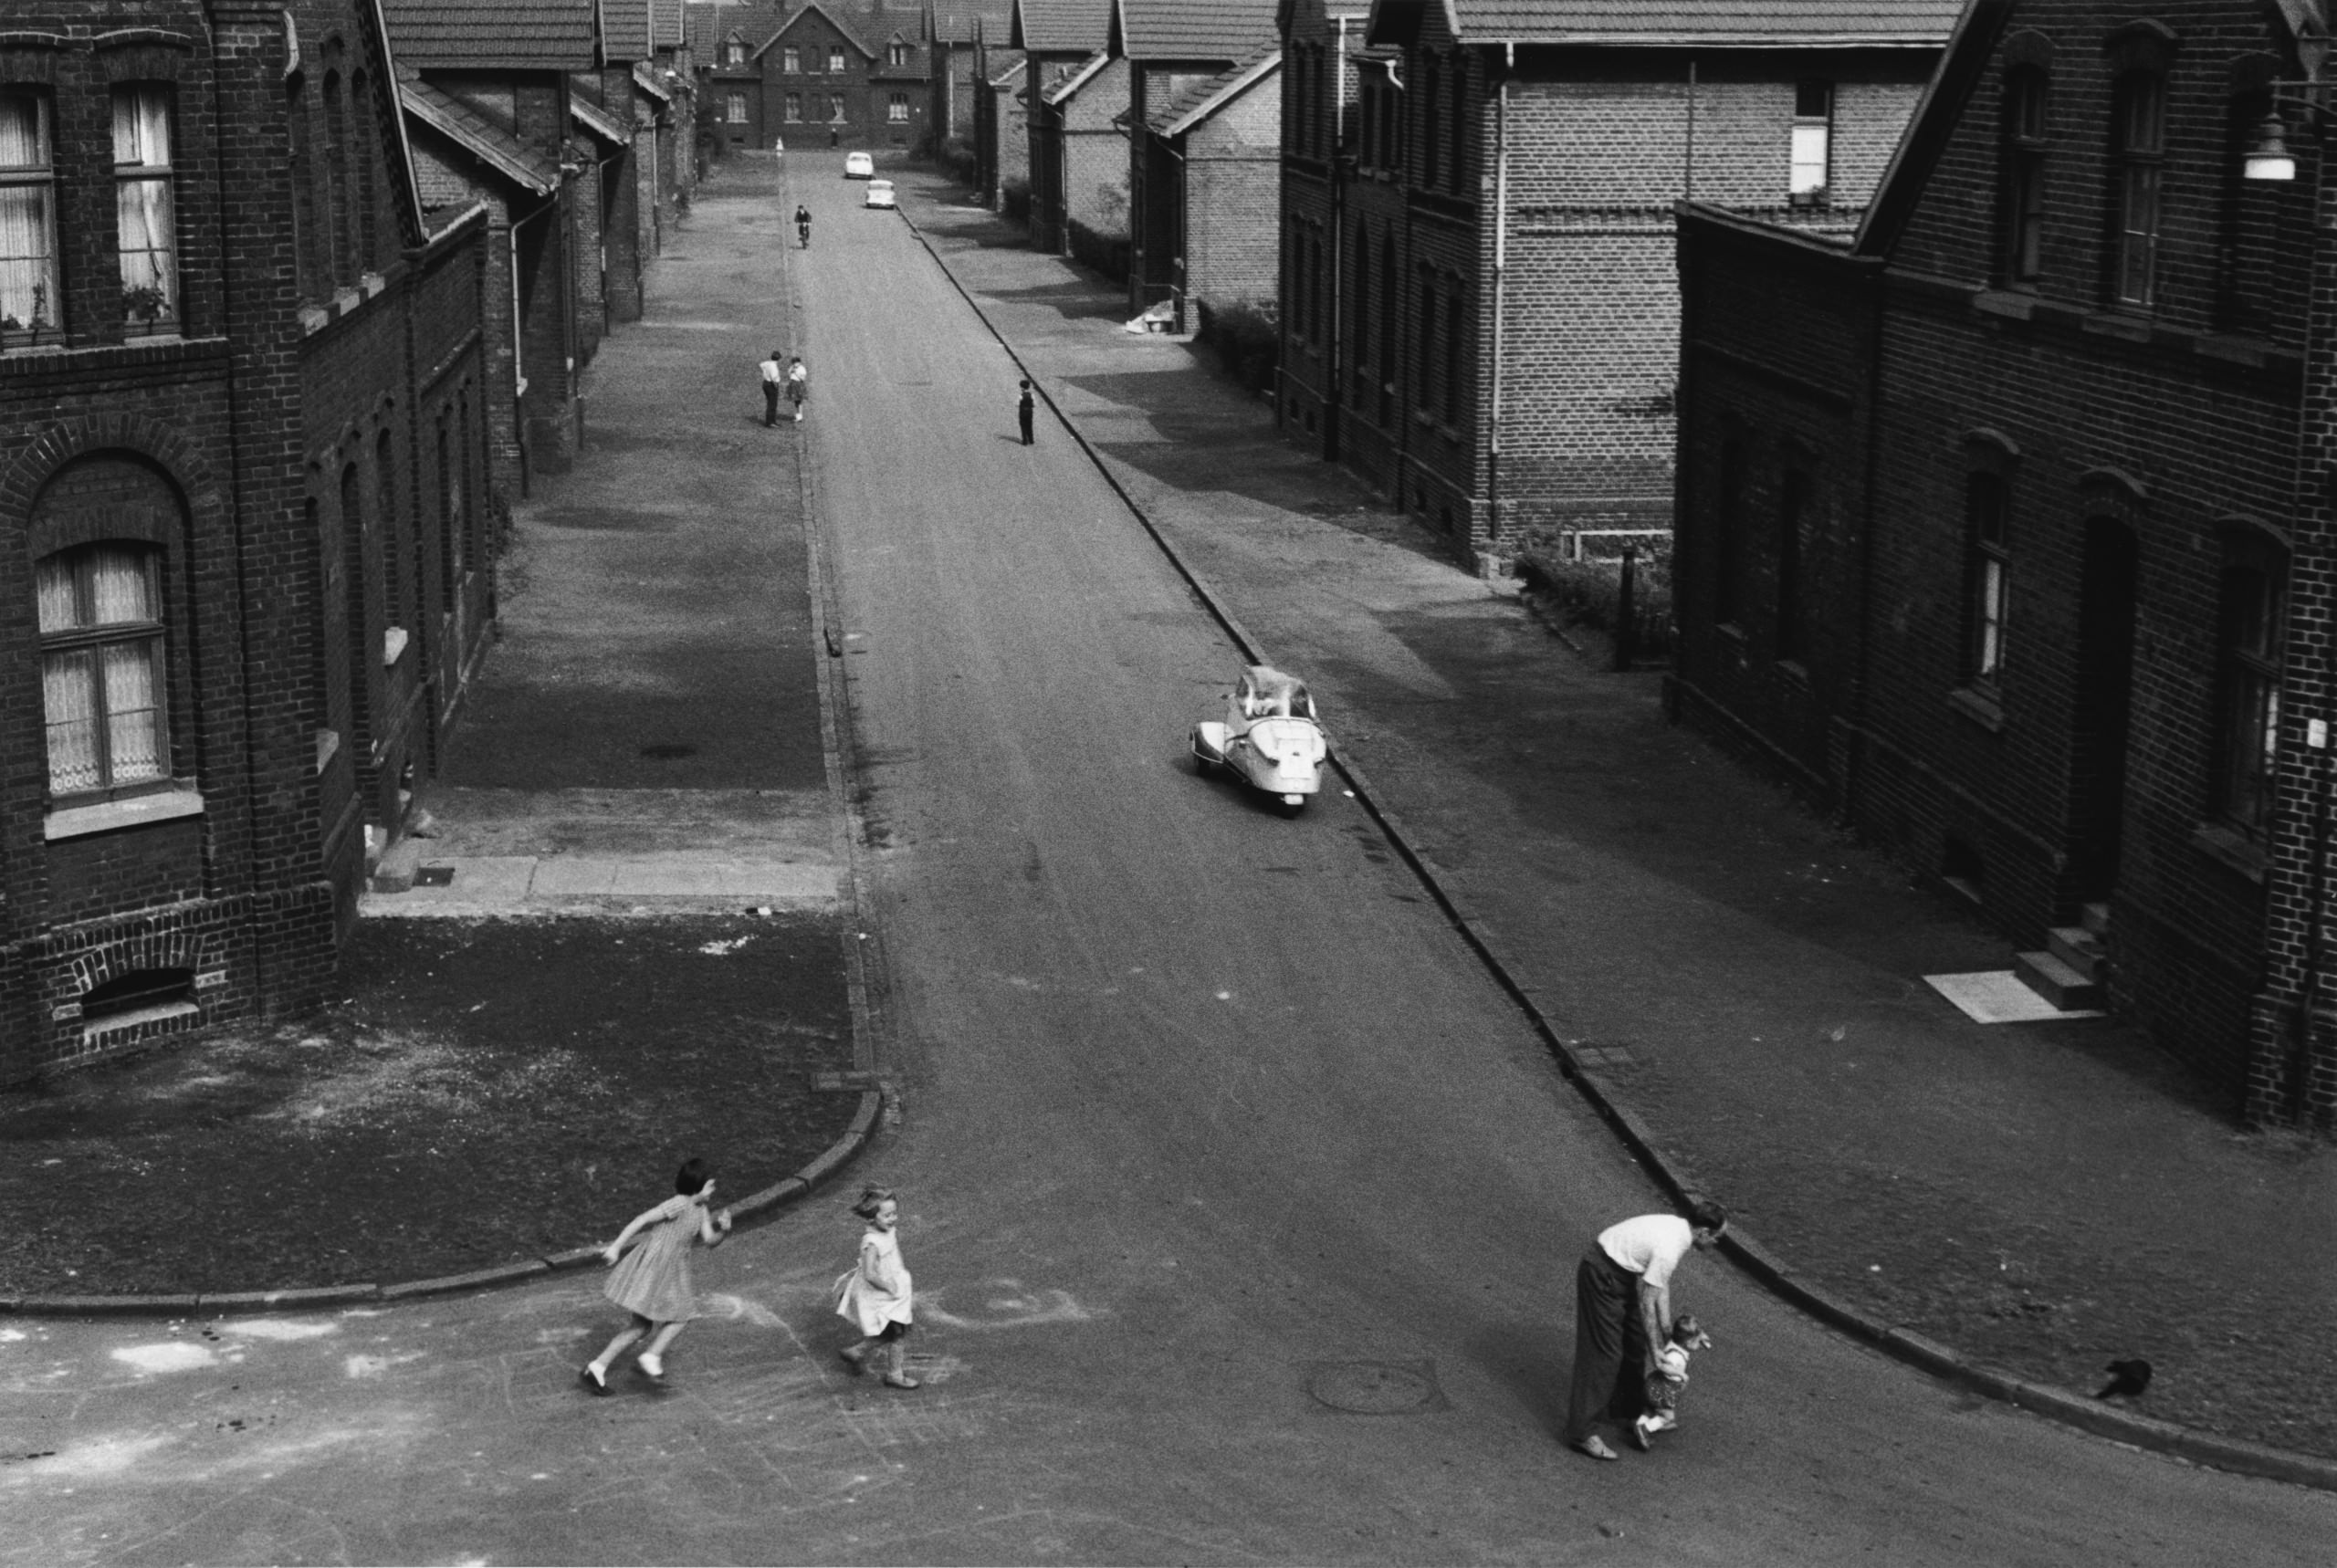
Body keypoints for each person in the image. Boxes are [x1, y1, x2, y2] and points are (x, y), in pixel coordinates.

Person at [1565, 1199, 1726, 1459]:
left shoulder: (1679, 1232)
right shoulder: (1670, 1247)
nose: (1717, 1243)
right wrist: (1657, 1352)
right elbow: (1647, 1300)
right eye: (1717, 1237)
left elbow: (1660, 1284)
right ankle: (1580, 1433)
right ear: (1704, 1232)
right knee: (1605, 1354)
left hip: (1620, 1273)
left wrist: (1665, 1335)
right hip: (1601, 1274)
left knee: (1634, 1343)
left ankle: (1626, 1413)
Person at [582, 1158, 733, 1392]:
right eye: (710, 1186)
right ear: (697, 1185)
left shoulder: (702, 1210)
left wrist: (723, 1229)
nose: (713, 1190)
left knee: (641, 1326)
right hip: (655, 1269)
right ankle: (650, 1358)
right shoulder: (679, 1204)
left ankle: (596, 1368)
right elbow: (642, 1219)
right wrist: (616, 1246)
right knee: (680, 1315)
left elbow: (710, 1241)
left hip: (672, 1269)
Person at [833, 1186, 918, 1389]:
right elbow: (870, 1273)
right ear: (872, 1217)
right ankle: (895, 1375)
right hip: (880, 1295)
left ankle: (856, 1352)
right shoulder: (871, 1243)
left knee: (892, 1332)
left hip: (890, 1293)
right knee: (898, 1333)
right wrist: (888, 1285)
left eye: (894, 1213)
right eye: (887, 1215)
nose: (892, 1219)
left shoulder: (888, 1232)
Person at [1631, 1313, 1712, 1450]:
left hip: (1655, 1384)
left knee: (1651, 1408)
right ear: (1688, 1342)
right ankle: (1645, 1428)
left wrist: (1702, 1337)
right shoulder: (1676, 1356)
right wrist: (1680, 1373)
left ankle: (1639, 1423)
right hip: (1664, 1389)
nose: (1699, 1345)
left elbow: (1695, 1337)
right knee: (1667, 1416)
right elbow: (1663, 1366)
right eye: (1698, 1342)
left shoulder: (1674, 1342)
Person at [760, 347, 785, 427]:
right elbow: (774, 379)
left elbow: (760, 365)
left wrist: (765, 373)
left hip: (765, 383)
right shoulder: (774, 367)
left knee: (770, 403)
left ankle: (770, 421)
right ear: (779, 359)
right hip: (771, 385)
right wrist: (776, 388)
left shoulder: (767, 363)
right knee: (772, 405)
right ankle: (771, 422)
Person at [786, 355, 808, 422]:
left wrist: (796, 373)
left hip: (798, 386)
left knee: (799, 401)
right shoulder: (792, 367)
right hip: (793, 385)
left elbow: (803, 379)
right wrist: (790, 371)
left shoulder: (802, 369)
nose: (795, 364)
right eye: (794, 363)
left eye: (796, 363)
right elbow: (789, 374)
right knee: (796, 402)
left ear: (799, 363)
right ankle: (798, 416)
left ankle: (800, 416)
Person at [1017, 380, 1035, 445]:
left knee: (1023, 426)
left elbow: (1017, 404)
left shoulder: (1021, 396)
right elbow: (1034, 405)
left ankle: (1025, 441)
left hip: (1022, 412)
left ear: (1022, 387)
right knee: (1029, 426)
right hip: (1030, 412)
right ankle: (1031, 440)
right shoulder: (1032, 395)